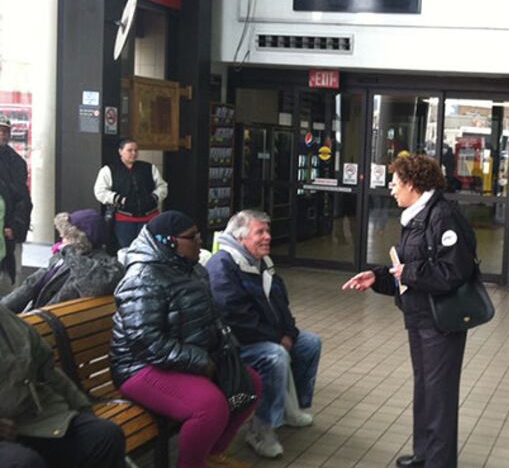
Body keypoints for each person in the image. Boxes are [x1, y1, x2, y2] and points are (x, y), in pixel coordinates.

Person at [342, 154, 476, 468]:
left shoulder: (442, 217)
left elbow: (453, 271)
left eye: (396, 183)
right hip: (419, 315)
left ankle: (439, 462)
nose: (391, 190)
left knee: (439, 393)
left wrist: (409, 273)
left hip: (441, 320)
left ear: (413, 185)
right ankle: (424, 455)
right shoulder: (416, 216)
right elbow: (408, 269)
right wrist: (378, 277)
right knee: (425, 387)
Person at [109, 211, 262, 468]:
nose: (200, 241)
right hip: (139, 367)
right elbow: (144, 341)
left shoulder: (192, 270)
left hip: (183, 360)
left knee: (247, 388)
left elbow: (213, 319)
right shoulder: (143, 277)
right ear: (168, 241)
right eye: (192, 237)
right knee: (209, 406)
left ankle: (212, 454)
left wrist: (226, 352)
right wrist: (201, 362)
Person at [206, 210, 321, 459]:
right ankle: (261, 429)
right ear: (240, 237)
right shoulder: (223, 265)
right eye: (260, 232)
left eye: (267, 231)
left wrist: (289, 332)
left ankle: (291, 408)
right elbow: (235, 318)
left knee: (310, 343)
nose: (268, 237)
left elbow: (282, 305)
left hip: (268, 335)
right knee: (274, 356)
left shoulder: (263, 262)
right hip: (236, 344)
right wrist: (277, 338)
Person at [0, 304, 126, 468]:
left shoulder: (8, 321)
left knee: (104, 435)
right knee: (23, 463)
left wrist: (83, 408)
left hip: (32, 420)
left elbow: (49, 371)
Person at [1, 209, 123, 314]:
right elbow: (31, 284)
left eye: (66, 236)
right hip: (41, 319)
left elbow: (97, 285)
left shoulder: (103, 263)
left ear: (79, 238)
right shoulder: (64, 256)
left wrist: (70, 251)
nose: (62, 239)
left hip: (53, 326)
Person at [93, 138, 168, 248]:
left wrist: (155, 197)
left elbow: (162, 186)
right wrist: (118, 199)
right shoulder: (109, 170)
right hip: (124, 219)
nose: (134, 153)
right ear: (120, 151)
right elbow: (100, 191)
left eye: (136, 150)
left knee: (149, 249)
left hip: (150, 218)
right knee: (127, 250)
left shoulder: (149, 168)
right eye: (130, 150)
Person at [0, 116, 33, 294]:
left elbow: (23, 199)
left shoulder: (16, 162)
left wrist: (16, 225)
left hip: (9, 232)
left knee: (9, 283)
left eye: (5, 131)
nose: (1, 134)